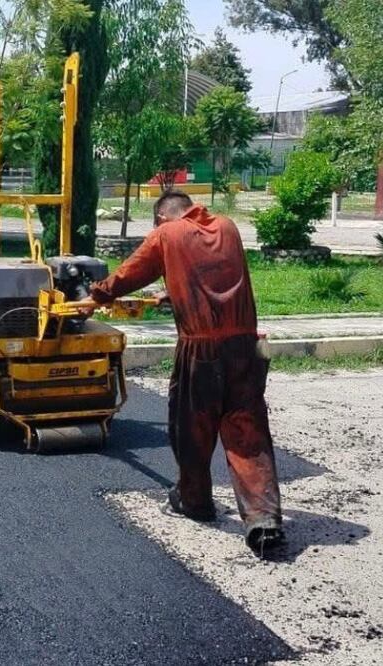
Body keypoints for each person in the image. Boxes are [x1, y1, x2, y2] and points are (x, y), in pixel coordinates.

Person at [80, 191, 284, 556]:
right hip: (245, 347)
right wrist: (172, 292)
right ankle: (263, 520)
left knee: (191, 428)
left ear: (161, 216)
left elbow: (130, 273)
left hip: (201, 350)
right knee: (247, 432)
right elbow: (216, 280)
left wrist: (96, 297)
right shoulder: (228, 226)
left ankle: (195, 502)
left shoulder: (166, 233)